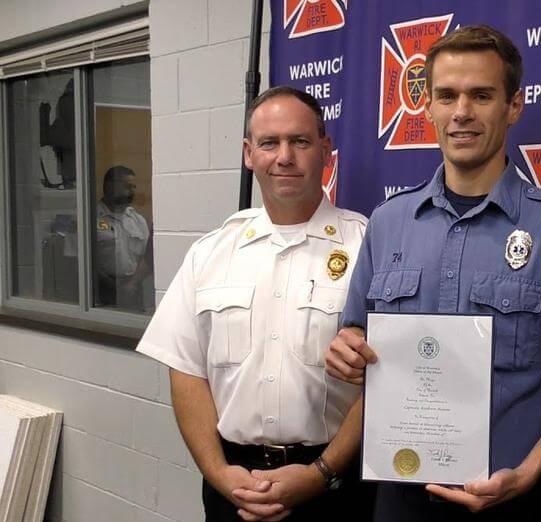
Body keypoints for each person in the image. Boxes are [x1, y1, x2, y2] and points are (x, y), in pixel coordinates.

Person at [323, 25, 541, 521]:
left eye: (482, 95)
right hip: (401, 497)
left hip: (512, 500)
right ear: (426, 106)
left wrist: (533, 469)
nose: (462, 112)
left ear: (514, 106)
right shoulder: (388, 224)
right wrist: (346, 350)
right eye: (446, 95)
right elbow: (354, 334)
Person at [137, 86, 373, 521]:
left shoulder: (368, 249)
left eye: (300, 141)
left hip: (336, 491)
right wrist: (220, 474)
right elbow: (186, 371)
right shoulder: (210, 253)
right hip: (232, 488)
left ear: (326, 149)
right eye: (269, 143)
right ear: (249, 153)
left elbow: (384, 382)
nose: (284, 156)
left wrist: (321, 472)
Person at [94, 165, 151, 311]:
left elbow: (147, 257)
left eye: (133, 187)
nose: (131, 192)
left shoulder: (138, 220)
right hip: (100, 290)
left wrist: (132, 284)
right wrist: (116, 288)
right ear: (108, 186)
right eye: (126, 187)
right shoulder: (89, 219)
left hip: (133, 288)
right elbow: (79, 262)